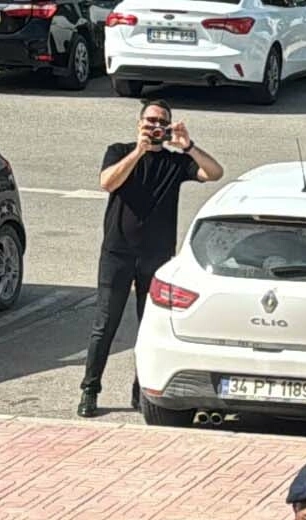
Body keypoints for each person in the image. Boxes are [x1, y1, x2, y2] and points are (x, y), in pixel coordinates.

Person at [80, 100, 224, 418]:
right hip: (117, 253)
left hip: (156, 257)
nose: (156, 126)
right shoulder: (119, 151)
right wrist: (139, 151)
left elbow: (214, 173)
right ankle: (90, 389)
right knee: (105, 324)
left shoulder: (176, 162)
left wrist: (189, 146)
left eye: (162, 122)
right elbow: (107, 182)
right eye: (151, 120)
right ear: (139, 123)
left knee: (149, 328)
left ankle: (141, 389)